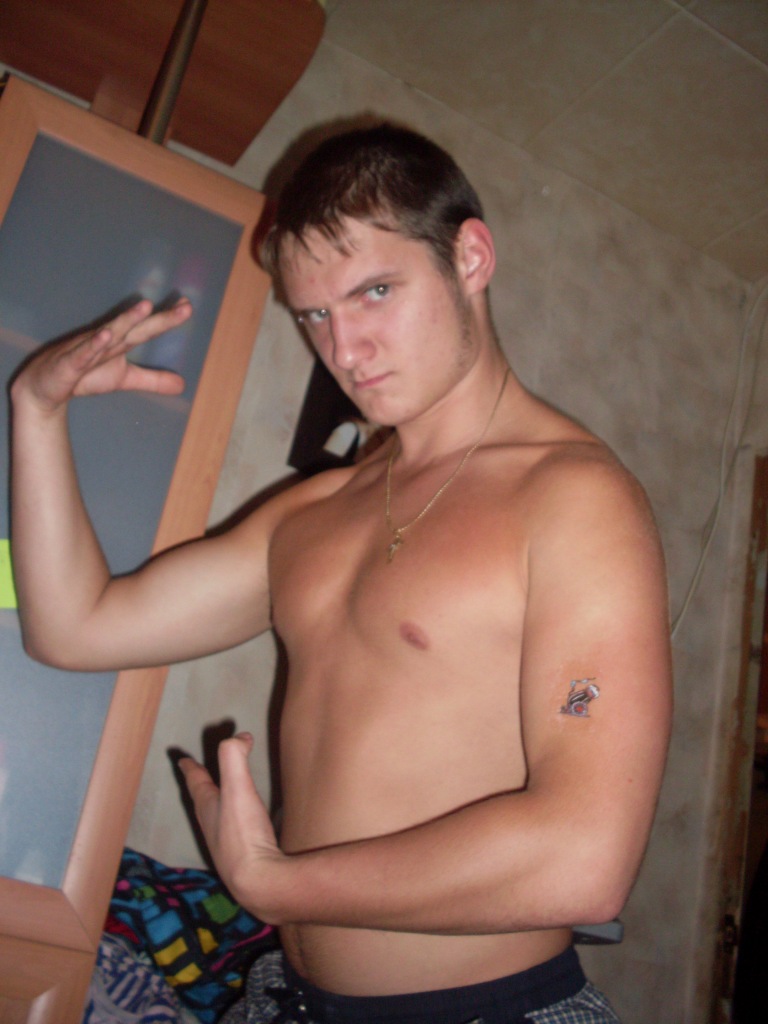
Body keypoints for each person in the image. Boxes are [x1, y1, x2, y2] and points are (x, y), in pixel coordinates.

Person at [10, 124, 673, 1024]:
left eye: (375, 292)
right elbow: (73, 626)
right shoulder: (314, 513)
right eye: (314, 315)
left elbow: (585, 858)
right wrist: (36, 410)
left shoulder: (573, 496)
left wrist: (277, 884)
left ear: (470, 258)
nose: (344, 349)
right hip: (287, 1001)